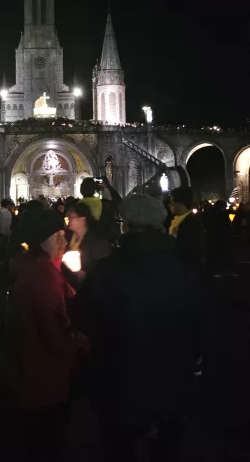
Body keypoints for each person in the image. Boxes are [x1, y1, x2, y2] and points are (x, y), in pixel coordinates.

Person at [75, 196, 202, 461]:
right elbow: (201, 321)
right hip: (171, 379)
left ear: (125, 225)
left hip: (118, 381)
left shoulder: (106, 271)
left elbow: (83, 319)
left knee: (121, 448)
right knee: (166, 448)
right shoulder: (186, 268)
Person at [15, 211, 85, 461]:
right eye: (58, 237)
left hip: (42, 373)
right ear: (42, 240)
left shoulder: (43, 268)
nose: (64, 243)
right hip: (45, 374)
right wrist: (82, 343)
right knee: (48, 439)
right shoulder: (41, 275)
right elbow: (54, 328)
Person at [67, 200, 113, 275]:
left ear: (83, 219)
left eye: (72, 217)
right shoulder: (68, 238)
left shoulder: (97, 241)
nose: (69, 220)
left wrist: (85, 274)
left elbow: (104, 269)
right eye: (68, 218)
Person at [169, 186, 206, 267]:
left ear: (181, 203)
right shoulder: (172, 220)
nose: (170, 205)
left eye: (172, 202)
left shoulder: (191, 223)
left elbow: (192, 249)